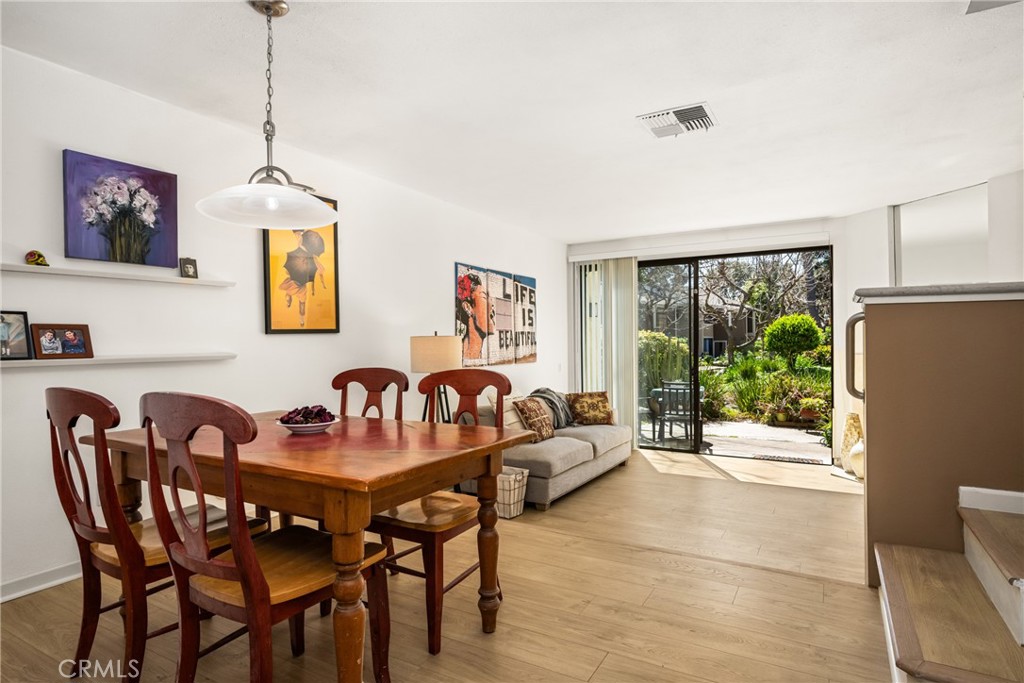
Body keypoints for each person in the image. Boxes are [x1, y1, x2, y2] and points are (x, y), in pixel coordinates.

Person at [278, 229, 326, 328]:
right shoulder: (304, 250)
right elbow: (322, 270)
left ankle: (301, 319)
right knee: (296, 299)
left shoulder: (310, 257)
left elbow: (321, 270)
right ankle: (290, 300)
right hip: (294, 281)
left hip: (300, 285)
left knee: (301, 303)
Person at [456, 272, 494, 360]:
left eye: (491, 299)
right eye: (484, 297)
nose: (492, 304)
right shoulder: (458, 357)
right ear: (468, 307)